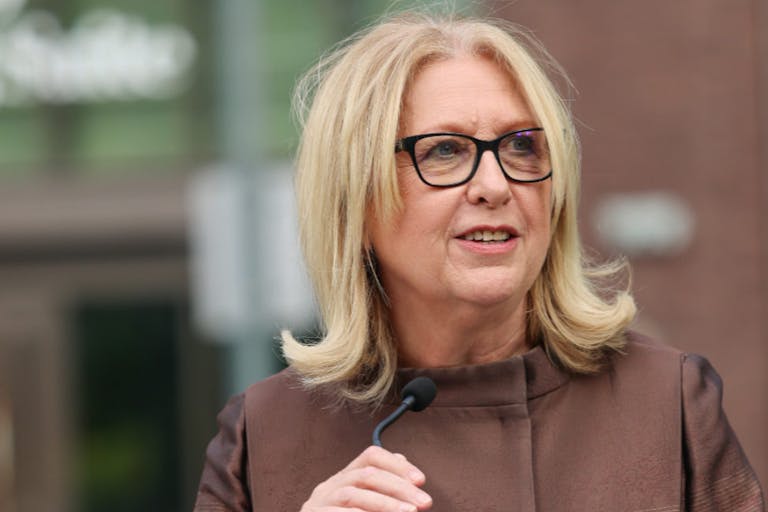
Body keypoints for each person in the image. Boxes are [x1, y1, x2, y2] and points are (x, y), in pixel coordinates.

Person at [194, 11, 764, 512]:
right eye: (445, 151)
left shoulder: (666, 403)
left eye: (521, 145)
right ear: (357, 204)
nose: (495, 184)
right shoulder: (265, 438)